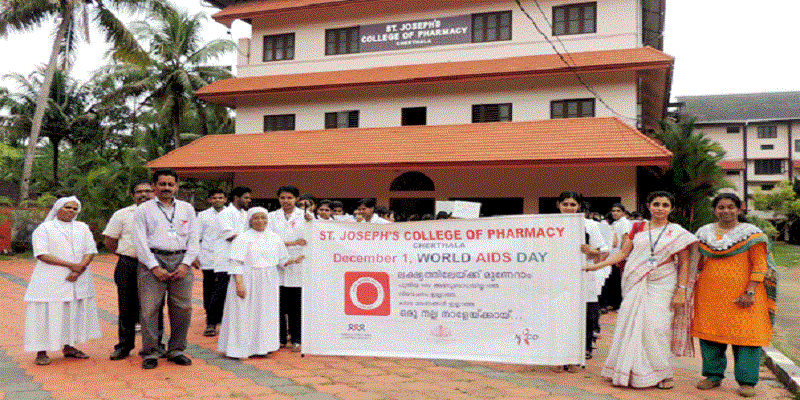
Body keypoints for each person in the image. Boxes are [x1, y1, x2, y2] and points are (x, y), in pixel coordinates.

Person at [585, 191, 698, 389]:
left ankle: (662, 373)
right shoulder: (637, 227)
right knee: (629, 324)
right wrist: (598, 266)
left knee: (657, 328)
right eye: (656, 204)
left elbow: (685, 263)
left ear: (671, 209)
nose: (660, 208)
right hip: (636, 282)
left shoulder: (677, 232)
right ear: (648, 205)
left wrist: (681, 289)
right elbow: (622, 253)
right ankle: (626, 370)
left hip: (663, 283)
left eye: (665, 205)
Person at [692, 193, 778, 398]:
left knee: (746, 337)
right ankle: (713, 376)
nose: (726, 211)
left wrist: (750, 291)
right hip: (710, 294)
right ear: (715, 210)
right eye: (721, 207)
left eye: (731, 207)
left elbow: (760, 265)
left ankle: (747, 381)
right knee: (710, 335)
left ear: (739, 209)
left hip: (745, 295)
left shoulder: (752, 234)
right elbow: (697, 262)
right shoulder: (704, 233)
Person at [133, 169, 199, 369]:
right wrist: (153, 266)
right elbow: (139, 241)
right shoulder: (143, 210)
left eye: (171, 184)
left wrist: (185, 264)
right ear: (154, 186)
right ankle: (151, 352)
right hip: (152, 260)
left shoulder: (187, 208)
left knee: (183, 308)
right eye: (162, 184)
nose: (166, 188)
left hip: (181, 261)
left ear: (177, 187)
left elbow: (194, 238)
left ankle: (177, 350)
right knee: (150, 309)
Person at [25, 196, 101, 366]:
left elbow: (91, 250)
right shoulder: (44, 228)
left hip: (78, 278)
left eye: (75, 209)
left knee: (71, 312)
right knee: (45, 314)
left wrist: (80, 268)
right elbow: (41, 254)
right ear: (58, 208)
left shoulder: (82, 227)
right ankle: (41, 351)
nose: (71, 211)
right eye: (68, 207)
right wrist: (72, 266)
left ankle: (69, 347)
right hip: (51, 279)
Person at [218, 207, 301, 358]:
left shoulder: (275, 238)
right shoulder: (242, 238)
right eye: (256, 218)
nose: (260, 221)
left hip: (268, 280)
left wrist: (295, 260)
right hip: (247, 279)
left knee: (265, 313)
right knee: (243, 313)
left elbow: (282, 259)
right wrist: (239, 284)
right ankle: (240, 349)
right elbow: (236, 263)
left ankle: (263, 347)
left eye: (263, 217)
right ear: (250, 220)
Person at [553, 192, 608, 370]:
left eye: (573, 205)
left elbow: (602, 252)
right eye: (566, 204)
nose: (569, 208)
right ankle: (558, 353)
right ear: (558, 205)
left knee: (585, 315)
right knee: (559, 315)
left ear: (579, 206)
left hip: (583, 276)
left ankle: (581, 351)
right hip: (557, 277)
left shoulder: (589, 225)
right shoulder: (550, 225)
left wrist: (589, 251)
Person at [103, 180, 158, 361]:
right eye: (138, 192)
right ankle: (124, 345)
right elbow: (110, 240)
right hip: (129, 264)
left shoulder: (163, 213)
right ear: (133, 195)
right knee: (126, 306)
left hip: (156, 266)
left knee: (155, 306)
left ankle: (156, 345)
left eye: (148, 191)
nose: (143, 194)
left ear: (154, 192)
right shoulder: (122, 214)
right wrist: (126, 253)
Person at [206, 187, 251, 337]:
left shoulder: (246, 214)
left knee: (239, 292)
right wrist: (253, 239)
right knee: (220, 292)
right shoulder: (225, 214)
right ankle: (211, 323)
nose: (248, 200)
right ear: (236, 198)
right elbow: (229, 235)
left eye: (249, 198)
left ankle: (235, 323)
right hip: (226, 259)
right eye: (245, 197)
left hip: (243, 259)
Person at [268, 185, 307, 350]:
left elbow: (310, 239)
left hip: (299, 264)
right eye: (283, 197)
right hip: (277, 265)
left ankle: (297, 338)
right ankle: (280, 338)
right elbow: (268, 240)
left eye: (290, 198)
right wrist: (291, 243)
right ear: (278, 199)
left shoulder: (306, 217)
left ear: (297, 199)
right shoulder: (270, 217)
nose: (286, 201)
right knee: (278, 305)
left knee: (296, 305)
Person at [193, 189, 227, 336]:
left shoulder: (232, 214)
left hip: (226, 259)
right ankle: (210, 317)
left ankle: (220, 317)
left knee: (224, 290)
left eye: (221, 197)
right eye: (214, 198)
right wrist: (195, 255)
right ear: (209, 200)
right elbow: (196, 236)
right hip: (208, 258)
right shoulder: (203, 215)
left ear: (226, 199)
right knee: (209, 288)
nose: (218, 200)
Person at [600, 203, 631, 312]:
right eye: (613, 211)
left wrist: (622, 256)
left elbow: (625, 239)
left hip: (619, 256)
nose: (615, 213)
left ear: (623, 212)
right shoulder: (615, 223)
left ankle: (619, 305)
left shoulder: (625, 223)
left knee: (618, 281)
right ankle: (613, 303)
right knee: (612, 281)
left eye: (618, 211)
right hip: (612, 256)